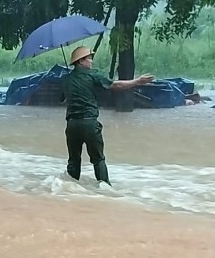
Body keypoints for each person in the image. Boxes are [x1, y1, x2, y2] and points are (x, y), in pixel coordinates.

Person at [62, 46, 154, 185]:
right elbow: (115, 85)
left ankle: (68, 190)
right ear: (80, 61)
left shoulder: (65, 79)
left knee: (74, 161)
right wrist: (137, 81)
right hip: (89, 123)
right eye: (89, 58)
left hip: (72, 125)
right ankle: (105, 190)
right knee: (98, 159)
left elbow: (62, 98)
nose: (91, 61)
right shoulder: (93, 75)